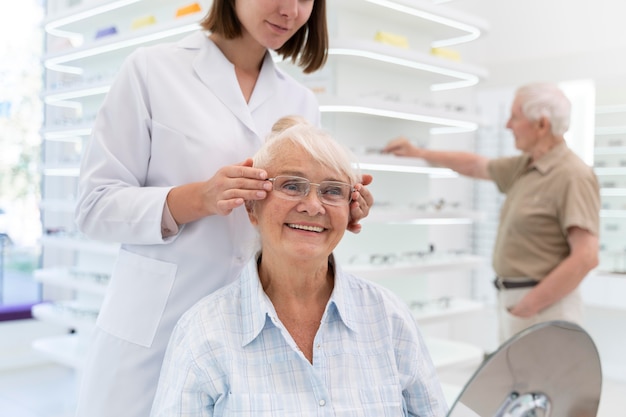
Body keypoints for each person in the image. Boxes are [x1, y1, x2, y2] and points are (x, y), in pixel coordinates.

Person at [73, 2, 373, 416]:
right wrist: (197, 198)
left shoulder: (300, 101)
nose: (291, 10)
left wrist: (331, 206)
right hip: (154, 328)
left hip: (250, 331)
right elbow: (93, 205)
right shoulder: (152, 71)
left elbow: (290, 217)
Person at [150, 116, 448, 417]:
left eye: (332, 191)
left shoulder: (389, 317)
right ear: (252, 207)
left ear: (351, 210)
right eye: (292, 186)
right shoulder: (204, 332)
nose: (313, 206)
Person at [383, 83, 600, 343]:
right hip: (517, 301)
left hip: (544, 305)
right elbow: (475, 165)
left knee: (542, 382)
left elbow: (586, 256)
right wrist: (419, 153)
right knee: (519, 382)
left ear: (541, 124)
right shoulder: (525, 166)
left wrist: (529, 305)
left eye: (515, 117)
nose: (508, 125)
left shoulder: (573, 175)